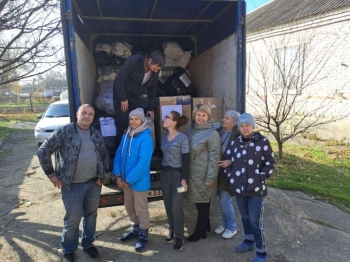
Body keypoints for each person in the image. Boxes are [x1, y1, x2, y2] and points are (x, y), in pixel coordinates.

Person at [37, 104, 110, 262]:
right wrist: (51, 175)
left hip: (93, 184)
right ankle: (69, 249)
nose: (87, 116)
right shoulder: (65, 131)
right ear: (77, 114)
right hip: (72, 185)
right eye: (84, 112)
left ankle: (88, 244)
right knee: (73, 218)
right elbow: (43, 151)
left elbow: (104, 154)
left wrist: (101, 175)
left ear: (93, 117)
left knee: (91, 216)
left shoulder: (95, 133)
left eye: (90, 114)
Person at [224, 113, 274, 262]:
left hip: (256, 189)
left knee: (255, 220)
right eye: (241, 125)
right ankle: (248, 241)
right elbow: (227, 161)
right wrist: (232, 177)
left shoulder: (263, 142)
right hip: (239, 188)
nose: (245, 128)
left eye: (247, 125)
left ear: (253, 126)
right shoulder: (235, 143)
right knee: (245, 217)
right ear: (238, 127)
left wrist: (260, 177)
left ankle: (261, 252)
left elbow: (270, 163)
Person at [112, 108, 153, 252]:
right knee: (129, 206)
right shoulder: (126, 135)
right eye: (131, 119)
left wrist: (128, 180)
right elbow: (118, 155)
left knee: (141, 209)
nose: (133, 121)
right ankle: (135, 228)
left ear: (142, 120)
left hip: (137, 181)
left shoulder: (146, 138)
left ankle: (143, 234)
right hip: (123, 180)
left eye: (137, 119)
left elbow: (143, 163)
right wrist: (117, 175)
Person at [113, 50, 165, 147]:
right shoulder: (133, 61)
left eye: (158, 69)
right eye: (156, 67)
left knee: (137, 120)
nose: (156, 70)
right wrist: (123, 99)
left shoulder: (154, 72)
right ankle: (122, 147)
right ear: (150, 60)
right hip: (121, 94)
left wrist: (150, 108)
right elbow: (119, 80)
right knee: (123, 121)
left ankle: (134, 147)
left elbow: (152, 90)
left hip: (135, 95)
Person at [186, 104, 221, 242]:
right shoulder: (191, 130)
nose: (200, 118)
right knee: (198, 202)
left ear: (208, 117)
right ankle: (206, 225)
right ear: (194, 116)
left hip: (204, 174)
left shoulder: (212, 133)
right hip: (192, 173)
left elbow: (215, 157)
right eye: (198, 115)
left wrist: (211, 177)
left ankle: (200, 232)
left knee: (203, 204)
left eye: (204, 115)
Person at [160, 111, 189, 251]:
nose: (164, 119)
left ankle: (179, 236)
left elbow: (186, 160)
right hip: (165, 176)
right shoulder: (163, 137)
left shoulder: (183, 138)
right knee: (168, 204)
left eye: (167, 117)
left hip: (179, 178)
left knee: (176, 207)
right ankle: (172, 231)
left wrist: (184, 179)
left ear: (174, 122)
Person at [215, 110, 241, 239]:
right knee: (221, 199)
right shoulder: (219, 131)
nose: (223, 120)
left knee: (225, 201)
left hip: (230, 172)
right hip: (218, 171)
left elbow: (244, 155)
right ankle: (224, 223)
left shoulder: (238, 134)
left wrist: (231, 161)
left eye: (227, 118)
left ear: (234, 122)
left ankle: (232, 227)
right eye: (224, 117)